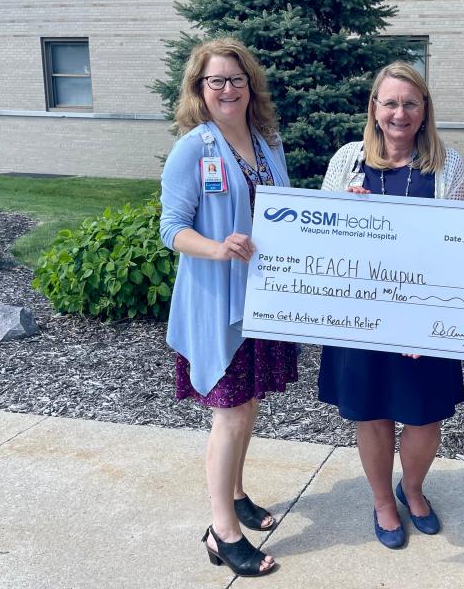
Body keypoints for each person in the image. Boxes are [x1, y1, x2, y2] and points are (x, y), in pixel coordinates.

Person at [318, 61, 464, 549]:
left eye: (410, 103)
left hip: (424, 314)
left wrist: (422, 323)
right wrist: (344, 211)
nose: (399, 112)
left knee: (426, 417)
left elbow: (457, 249)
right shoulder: (347, 160)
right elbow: (319, 241)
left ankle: (414, 488)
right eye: (390, 102)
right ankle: (384, 501)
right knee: (372, 413)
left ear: (424, 110)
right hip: (361, 313)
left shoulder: (448, 165)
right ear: (375, 108)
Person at [160, 37, 295, 577]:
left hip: (261, 298)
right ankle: (222, 532)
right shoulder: (194, 147)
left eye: (236, 79)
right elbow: (171, 228)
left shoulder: (267, 141)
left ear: (250, 85)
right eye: (216, 80)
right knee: (231, 412)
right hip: (218, 302)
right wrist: (217, 247)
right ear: (200, 89)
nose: (228, 89)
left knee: (248, 405)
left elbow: (285, 208)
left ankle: (236, 494)